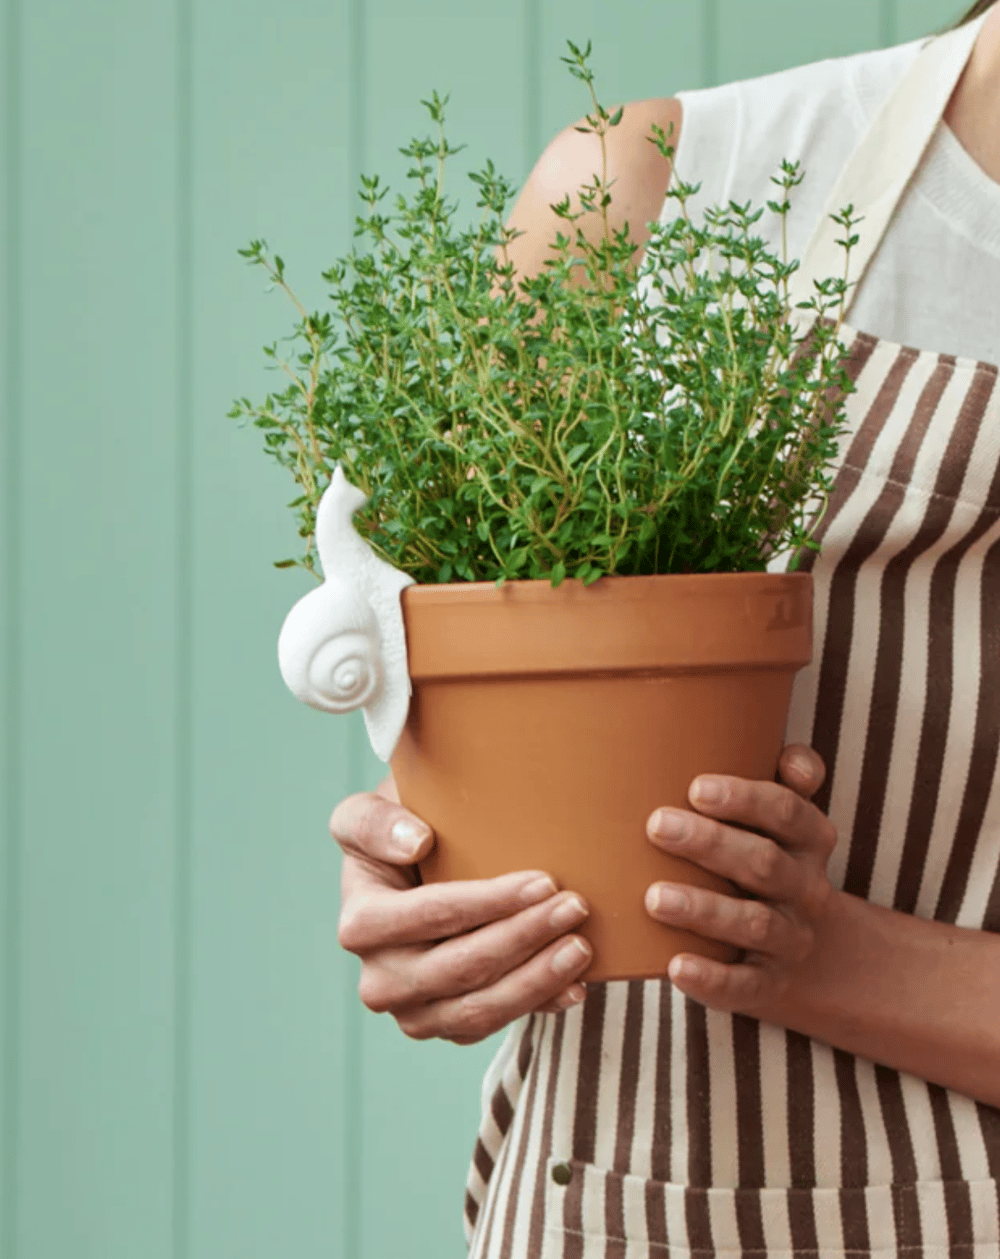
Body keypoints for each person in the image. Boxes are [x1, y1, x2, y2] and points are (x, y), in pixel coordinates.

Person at [332, 1, 1000, 1253]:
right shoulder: (650, 186)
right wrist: (428, 888)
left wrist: (820, 954)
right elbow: (488, 721)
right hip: (624, 1204)